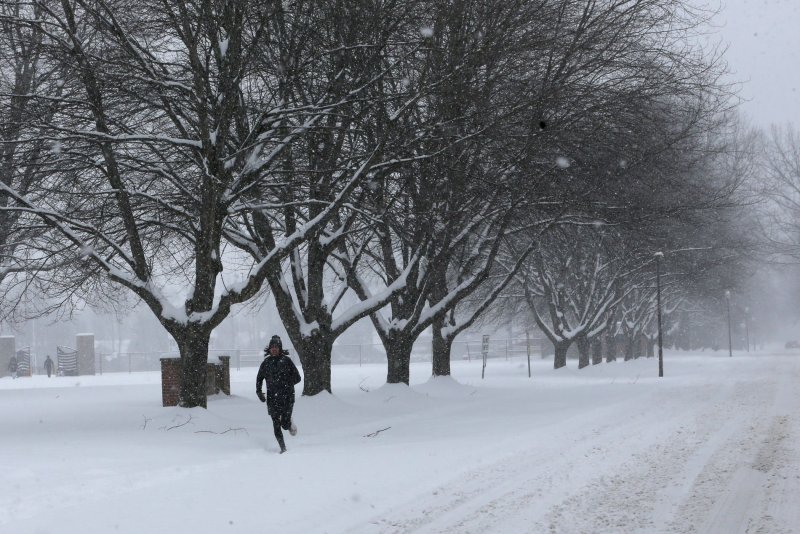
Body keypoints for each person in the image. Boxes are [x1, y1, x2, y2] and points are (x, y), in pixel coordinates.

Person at [256, 335, 301, 453]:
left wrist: (286, 384)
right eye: (272, 347)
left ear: (280, 348)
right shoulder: (266, 363)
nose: (274, 349)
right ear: (269, 349)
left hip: (287, 397)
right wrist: (259, 392)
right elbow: (259, 379)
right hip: (272, 398)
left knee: (284, 425)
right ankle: (283, 448)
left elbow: (298, 378)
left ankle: (289, 422)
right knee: (276, 424)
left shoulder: (286, 361)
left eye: (276, 347)